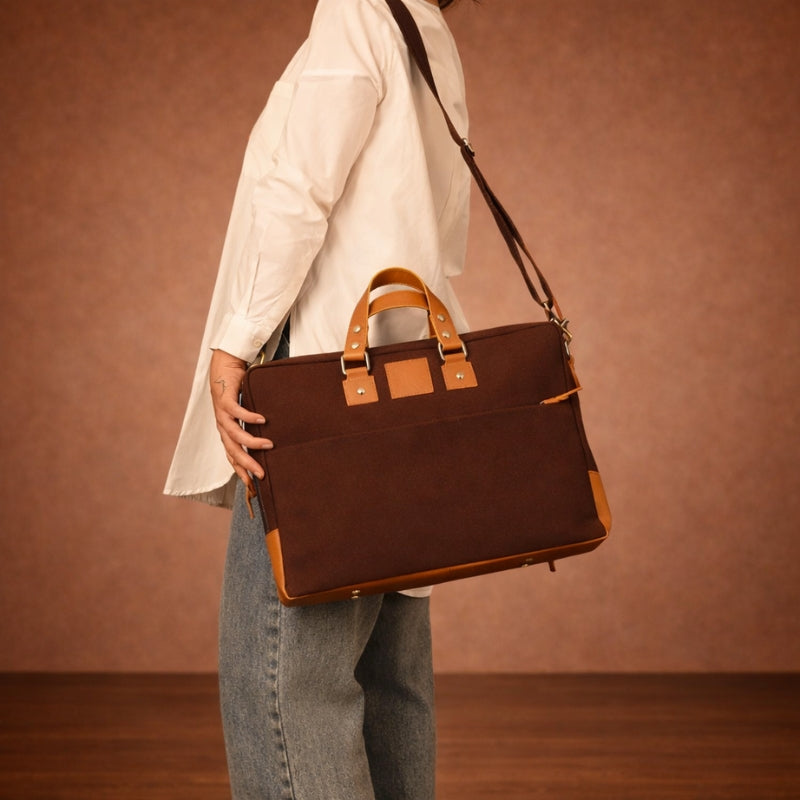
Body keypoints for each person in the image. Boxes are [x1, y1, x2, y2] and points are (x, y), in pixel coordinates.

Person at [164, 0, 471, 797]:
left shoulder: (358, 8)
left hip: (323, 388)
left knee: (287, 677)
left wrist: (235, 341)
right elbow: (445, 233)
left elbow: (298, 190)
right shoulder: (426, 31)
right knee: (390, 677)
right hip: (408, 382)